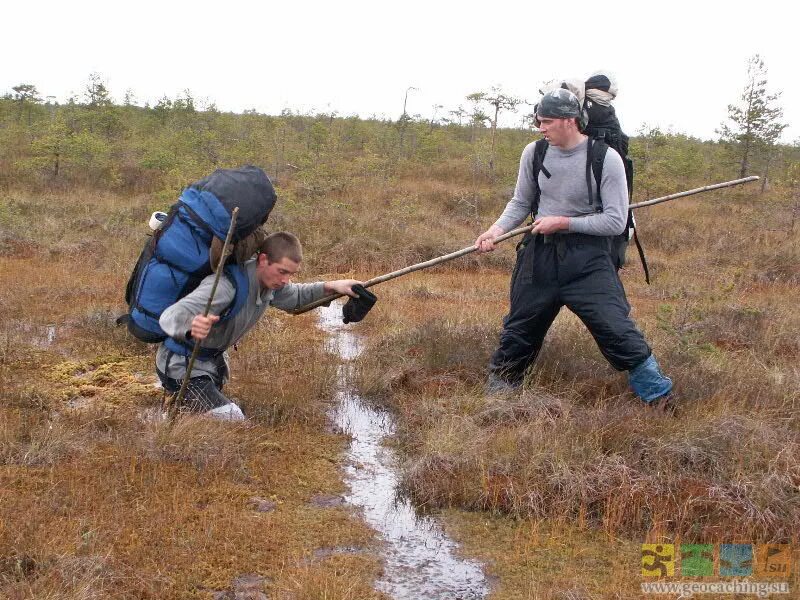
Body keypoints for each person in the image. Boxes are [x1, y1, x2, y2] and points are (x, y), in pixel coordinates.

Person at [474, 88, 673, 410]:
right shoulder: (534, 153)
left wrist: (564, 223)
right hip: (539, 258)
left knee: (617, 331)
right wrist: (495, 231)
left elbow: (614, 221)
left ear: (570, 121)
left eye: (547, 122)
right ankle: (499, 403)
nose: (541, 128)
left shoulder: (605, 158)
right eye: (538, 121)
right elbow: (521, 201)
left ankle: (659, 399)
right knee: (519, 333)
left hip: (588, 261)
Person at [156, 231, 361, 420]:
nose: (285, 280)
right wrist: (192, 324)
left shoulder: (269, 283)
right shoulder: (226, 287)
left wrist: (333, 286)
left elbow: (296, 296)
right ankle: (176, 404)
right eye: (282, 271)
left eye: (290, 274)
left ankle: (179, 409)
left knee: (212, 415)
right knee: (232, 419)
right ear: (263, 260)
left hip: (209, 366)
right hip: (180, 366)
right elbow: (170, 316)